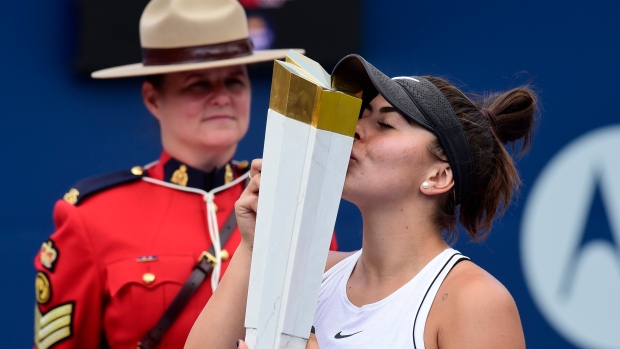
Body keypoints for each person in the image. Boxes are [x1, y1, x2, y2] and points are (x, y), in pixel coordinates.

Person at [32, 0, 338, 348]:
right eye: (198, 85)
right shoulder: (92, 216)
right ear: (153, 98)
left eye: (235, 82)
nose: (221, 97)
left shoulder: (290, 202)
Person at [184, 53, 538, 349]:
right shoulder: (310, 272)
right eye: (360, 115)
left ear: (438, 176)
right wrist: (254, 246)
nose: (353, 129)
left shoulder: (474, 300)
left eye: (385, 125)